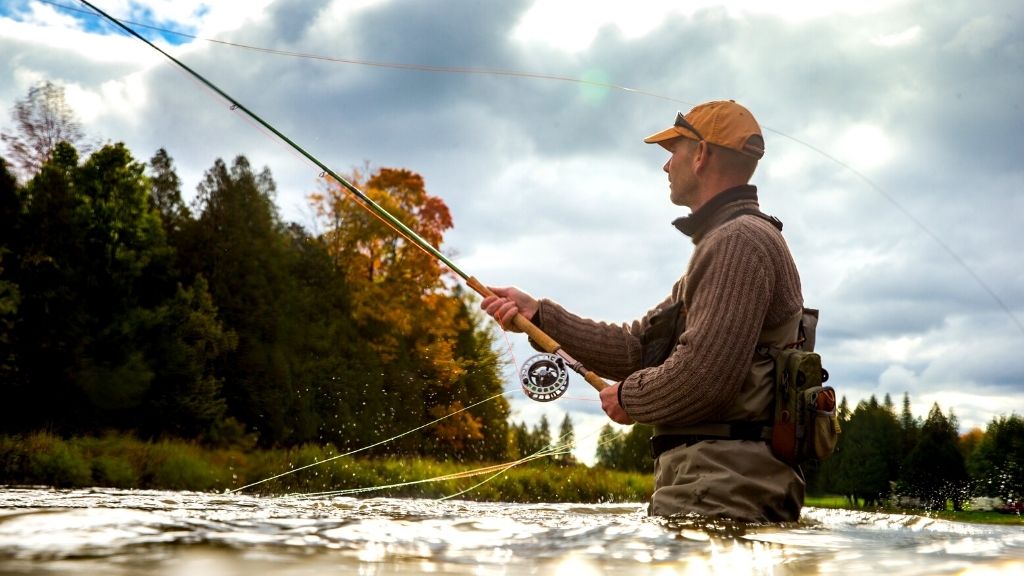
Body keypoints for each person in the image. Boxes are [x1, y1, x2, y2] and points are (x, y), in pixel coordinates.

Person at [481, 100, 806, 522]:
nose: (666, 167)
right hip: (714, 486)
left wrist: (630, 398)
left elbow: (706, 377)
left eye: (674, 152)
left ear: (702, 155)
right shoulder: (728, 242)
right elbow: (639, 348)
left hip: (721, 492)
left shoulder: (738, 242)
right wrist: (540, 314)